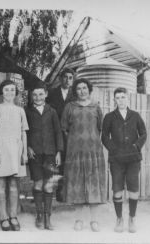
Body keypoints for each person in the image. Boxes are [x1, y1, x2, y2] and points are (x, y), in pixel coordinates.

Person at [60, 78, 107, 232]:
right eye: (78, 88)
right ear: (75, 91)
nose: (82, 91)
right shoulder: (69, 107)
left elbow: (101, 128)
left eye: (84, 88)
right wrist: (74, 142)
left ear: (89, 89)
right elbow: (64, 128)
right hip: (75, 152)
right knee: (77, 185)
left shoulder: (96, 107)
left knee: (93, 184)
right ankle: (79, 220)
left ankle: (94, 221)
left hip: (93, 152)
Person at [0, 79, 29, 231]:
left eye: (12, 90)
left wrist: (24, 152)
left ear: (16, 93)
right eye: (6, 89)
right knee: (1, 184)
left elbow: (23, 132)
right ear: (1, 92)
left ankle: (13, 216)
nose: (9, 92)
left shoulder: (20, 110)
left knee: (14, 185)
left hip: (15, 151)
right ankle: (3, 218)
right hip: (1, 151)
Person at [101, 87, 147, 233]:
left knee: (133, 188)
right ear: (114, 100)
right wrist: (113, 149)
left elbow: (144, 134)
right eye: (118, 98)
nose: (120, 100)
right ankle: (119, 219)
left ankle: (132, 218)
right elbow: (104, 137)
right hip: (117, 159)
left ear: (128, 98)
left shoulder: (135, 115)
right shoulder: (109, 117)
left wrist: (136, 146)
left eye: (123, 97)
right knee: (117, 189)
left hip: (133, 159)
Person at [25, 83, 64, 230]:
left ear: (46, 94)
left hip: (50, 154)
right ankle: (39, 215)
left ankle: (48, 217)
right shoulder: (27, 111)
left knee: (49, 185)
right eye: (34, 94)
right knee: (38, 184)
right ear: (31, 96)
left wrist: (59, 151)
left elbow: (58, 132)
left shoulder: (52, 111)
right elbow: (24, 131)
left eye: (41, 94)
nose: (37, 97)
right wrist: (27, 146)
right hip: (35, 153)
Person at [46, 68, 75, 202]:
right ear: (60, 78)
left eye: (70, 77)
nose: (67, 80)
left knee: (67, 162)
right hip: (54, 132)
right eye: (65, 77)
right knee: (54, 162)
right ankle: (48, 192)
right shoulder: (52, 93)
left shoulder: (74, 94)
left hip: (69, 133)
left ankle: (62, 192)